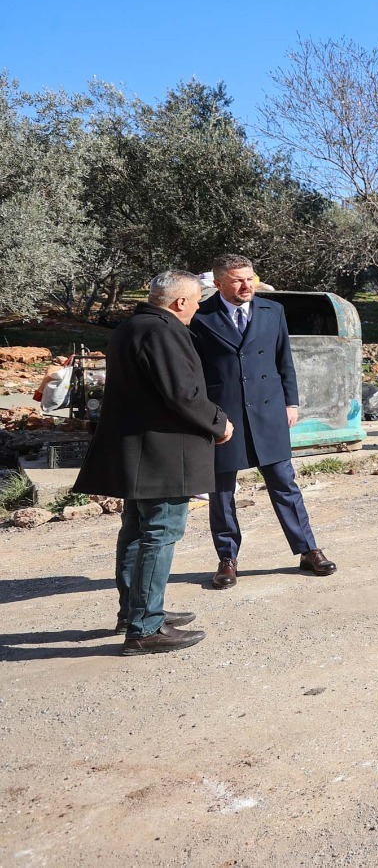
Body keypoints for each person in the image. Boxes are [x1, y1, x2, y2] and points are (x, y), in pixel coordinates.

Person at [74, 270, 233, 655]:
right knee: (160, 533)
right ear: (180, 302)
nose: (197, 308)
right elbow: (182, 393)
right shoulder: (164, 330)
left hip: (141, 453)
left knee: (137, 531)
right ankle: (145, 627)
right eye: (196, 301)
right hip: (162, 455)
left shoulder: (133, 325)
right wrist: (218, 421)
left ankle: (136, 612)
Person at [194, 255, 336, 590]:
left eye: (250, 278)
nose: (247, 286)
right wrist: (205, 416)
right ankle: (227, 559)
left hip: (269, 411)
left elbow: (283, 358)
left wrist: (291, 401)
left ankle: (308, 549)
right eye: (237, 280)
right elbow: (194, 371)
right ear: (218, 284)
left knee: (284, 483)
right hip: (223, 415)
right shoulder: (200, 317)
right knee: (222, 491)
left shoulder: (273, 312)